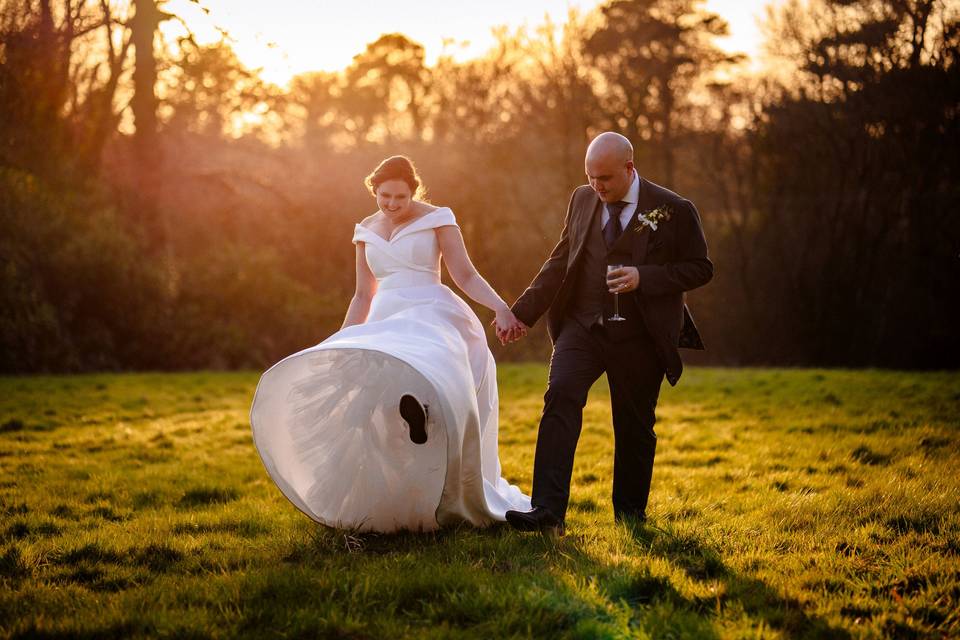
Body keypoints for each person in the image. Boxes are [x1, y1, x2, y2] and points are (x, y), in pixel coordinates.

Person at [250, 155, 530, 533]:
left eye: (400, 197)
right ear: (374, 191)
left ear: (414, 191)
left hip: (430, 309)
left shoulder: (438, 218)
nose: (393, 204)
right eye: (385, 197)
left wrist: (501, 308)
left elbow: (464, 273)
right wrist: (342, 338)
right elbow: (363, 295)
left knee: (435, 371)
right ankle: (402, 479)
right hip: (386, 316)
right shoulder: (365, 230)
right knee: (375, 404)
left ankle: (428, 418)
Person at [500, 132, 713, 534]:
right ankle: (547, 511)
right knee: (560, 396)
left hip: (640, 337)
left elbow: (701, 268)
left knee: (633, 425)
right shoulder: (582, 200)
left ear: (630, 169)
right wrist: (521, 314)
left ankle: (630, 518)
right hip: (581, 327)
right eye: (590, 177)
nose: (596, 186)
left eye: (606, 179)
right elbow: (560, 261)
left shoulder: (674, 209)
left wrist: (643, 277)